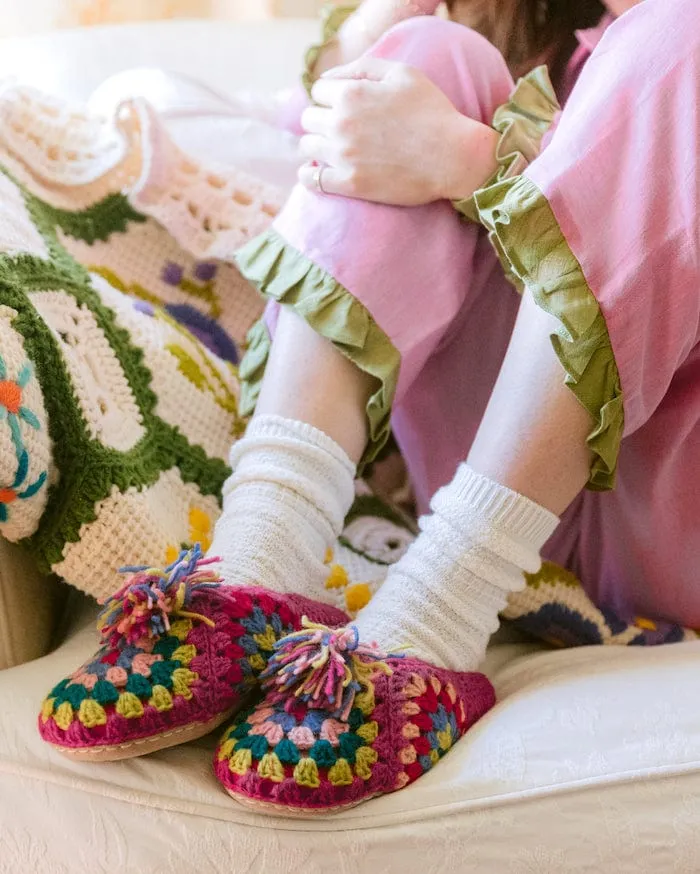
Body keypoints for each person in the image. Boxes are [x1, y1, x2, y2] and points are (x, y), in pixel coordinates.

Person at [40, 0, 700, 817]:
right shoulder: (554, 37)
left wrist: (476, 163)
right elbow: (304, 125)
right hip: (528, 489)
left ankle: (441, 608)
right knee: (432, 58)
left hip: (670, 525)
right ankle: (262, 554)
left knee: (682, 38)